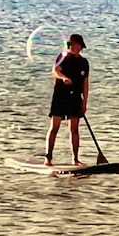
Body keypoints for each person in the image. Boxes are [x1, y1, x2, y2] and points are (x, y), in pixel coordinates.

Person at [45, 34, 90, 166]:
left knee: (74, 129)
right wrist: (63, 77)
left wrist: (84, 102)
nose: (76, 47)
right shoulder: (62, 57)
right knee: (55, 127)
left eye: (79, 45)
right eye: (74, 45)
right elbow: (55, 71)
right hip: (60, 96)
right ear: (70, 45)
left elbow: (85, 83)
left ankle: (75, 159)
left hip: (75, 97)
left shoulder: (84, 62)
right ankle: (48, 158)